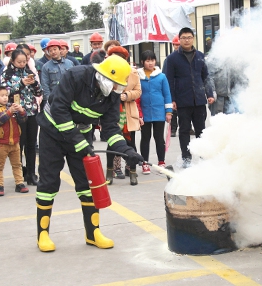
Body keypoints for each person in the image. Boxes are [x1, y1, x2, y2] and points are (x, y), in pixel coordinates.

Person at [35, 55, 144, 252]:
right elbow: (59, 110)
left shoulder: (111, 94)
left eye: (119, 86)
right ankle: (43, 234)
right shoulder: (75, 76)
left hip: (81, 135)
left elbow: (111, 129)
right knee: (49, 182)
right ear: (103, 76)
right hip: (52, 133)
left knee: (88, 184)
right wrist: (79, 142)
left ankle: (92, 233)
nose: (115, 90)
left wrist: (127, 151)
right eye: (114, 84)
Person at [164, 27, 215, 168]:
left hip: (199, 100)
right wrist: (172, 99)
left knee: (201, 130)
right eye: (184, 38)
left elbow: (206, 77)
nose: (187, 40)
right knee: (184, 130)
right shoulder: (172, 58)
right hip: (182, 101)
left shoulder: (200, 56)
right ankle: (186, 158)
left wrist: (209, 94)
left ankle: (203, 156)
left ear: (193, 38)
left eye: (189, 37)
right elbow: (169, 80)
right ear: (179, 40)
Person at [1, 49, 43, 186]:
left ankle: (31, 174)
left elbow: (39, 92)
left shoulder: (30, 73)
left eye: (24, 61)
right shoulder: (6, 74)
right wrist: (21, 83)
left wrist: (34, 83)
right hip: (16, 113)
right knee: (18, 145)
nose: (21, 64)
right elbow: (5, 92)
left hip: (31, 111)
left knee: (31, 145)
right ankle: (19, 175)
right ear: (12, 61)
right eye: (19, 62)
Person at [103, 45, 142, 186]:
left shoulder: (133, 72)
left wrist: (126, 95)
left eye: (120, 58)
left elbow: (138, 91)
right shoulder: (106, 72)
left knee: (130, 143)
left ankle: (132, 172)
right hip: (112, 111)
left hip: (128, 110)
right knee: (111, 145)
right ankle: (109, 172)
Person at [0, 86, 29, 197]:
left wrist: (21, 111)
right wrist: (9, 112)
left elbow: (23, 120)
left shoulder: (11, 107)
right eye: (2, 96)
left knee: (17, 165)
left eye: (6, 95)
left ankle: (19, 183)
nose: (5, 98)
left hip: (15, 142)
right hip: (1, 143)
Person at [137, 50, 172, 174]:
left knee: (159, 138)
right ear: (143, 62)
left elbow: (167, 94)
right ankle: (144, 163)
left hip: (159, 112)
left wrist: (168, 112)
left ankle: (161, 162)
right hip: (144, 112)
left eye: (152, 60)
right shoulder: (137, 76)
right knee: (145, 138)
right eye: (147, 60)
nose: (150, 63)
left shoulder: (161, 76)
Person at [162, 35, 180, 137]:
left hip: (182, 88)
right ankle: (173, 129)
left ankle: (187, 127)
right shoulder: (170, 59)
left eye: (178, 44)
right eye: (175, 45)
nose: (177, 46)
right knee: (173, 109)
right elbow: (165, 74)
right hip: (172, 86)